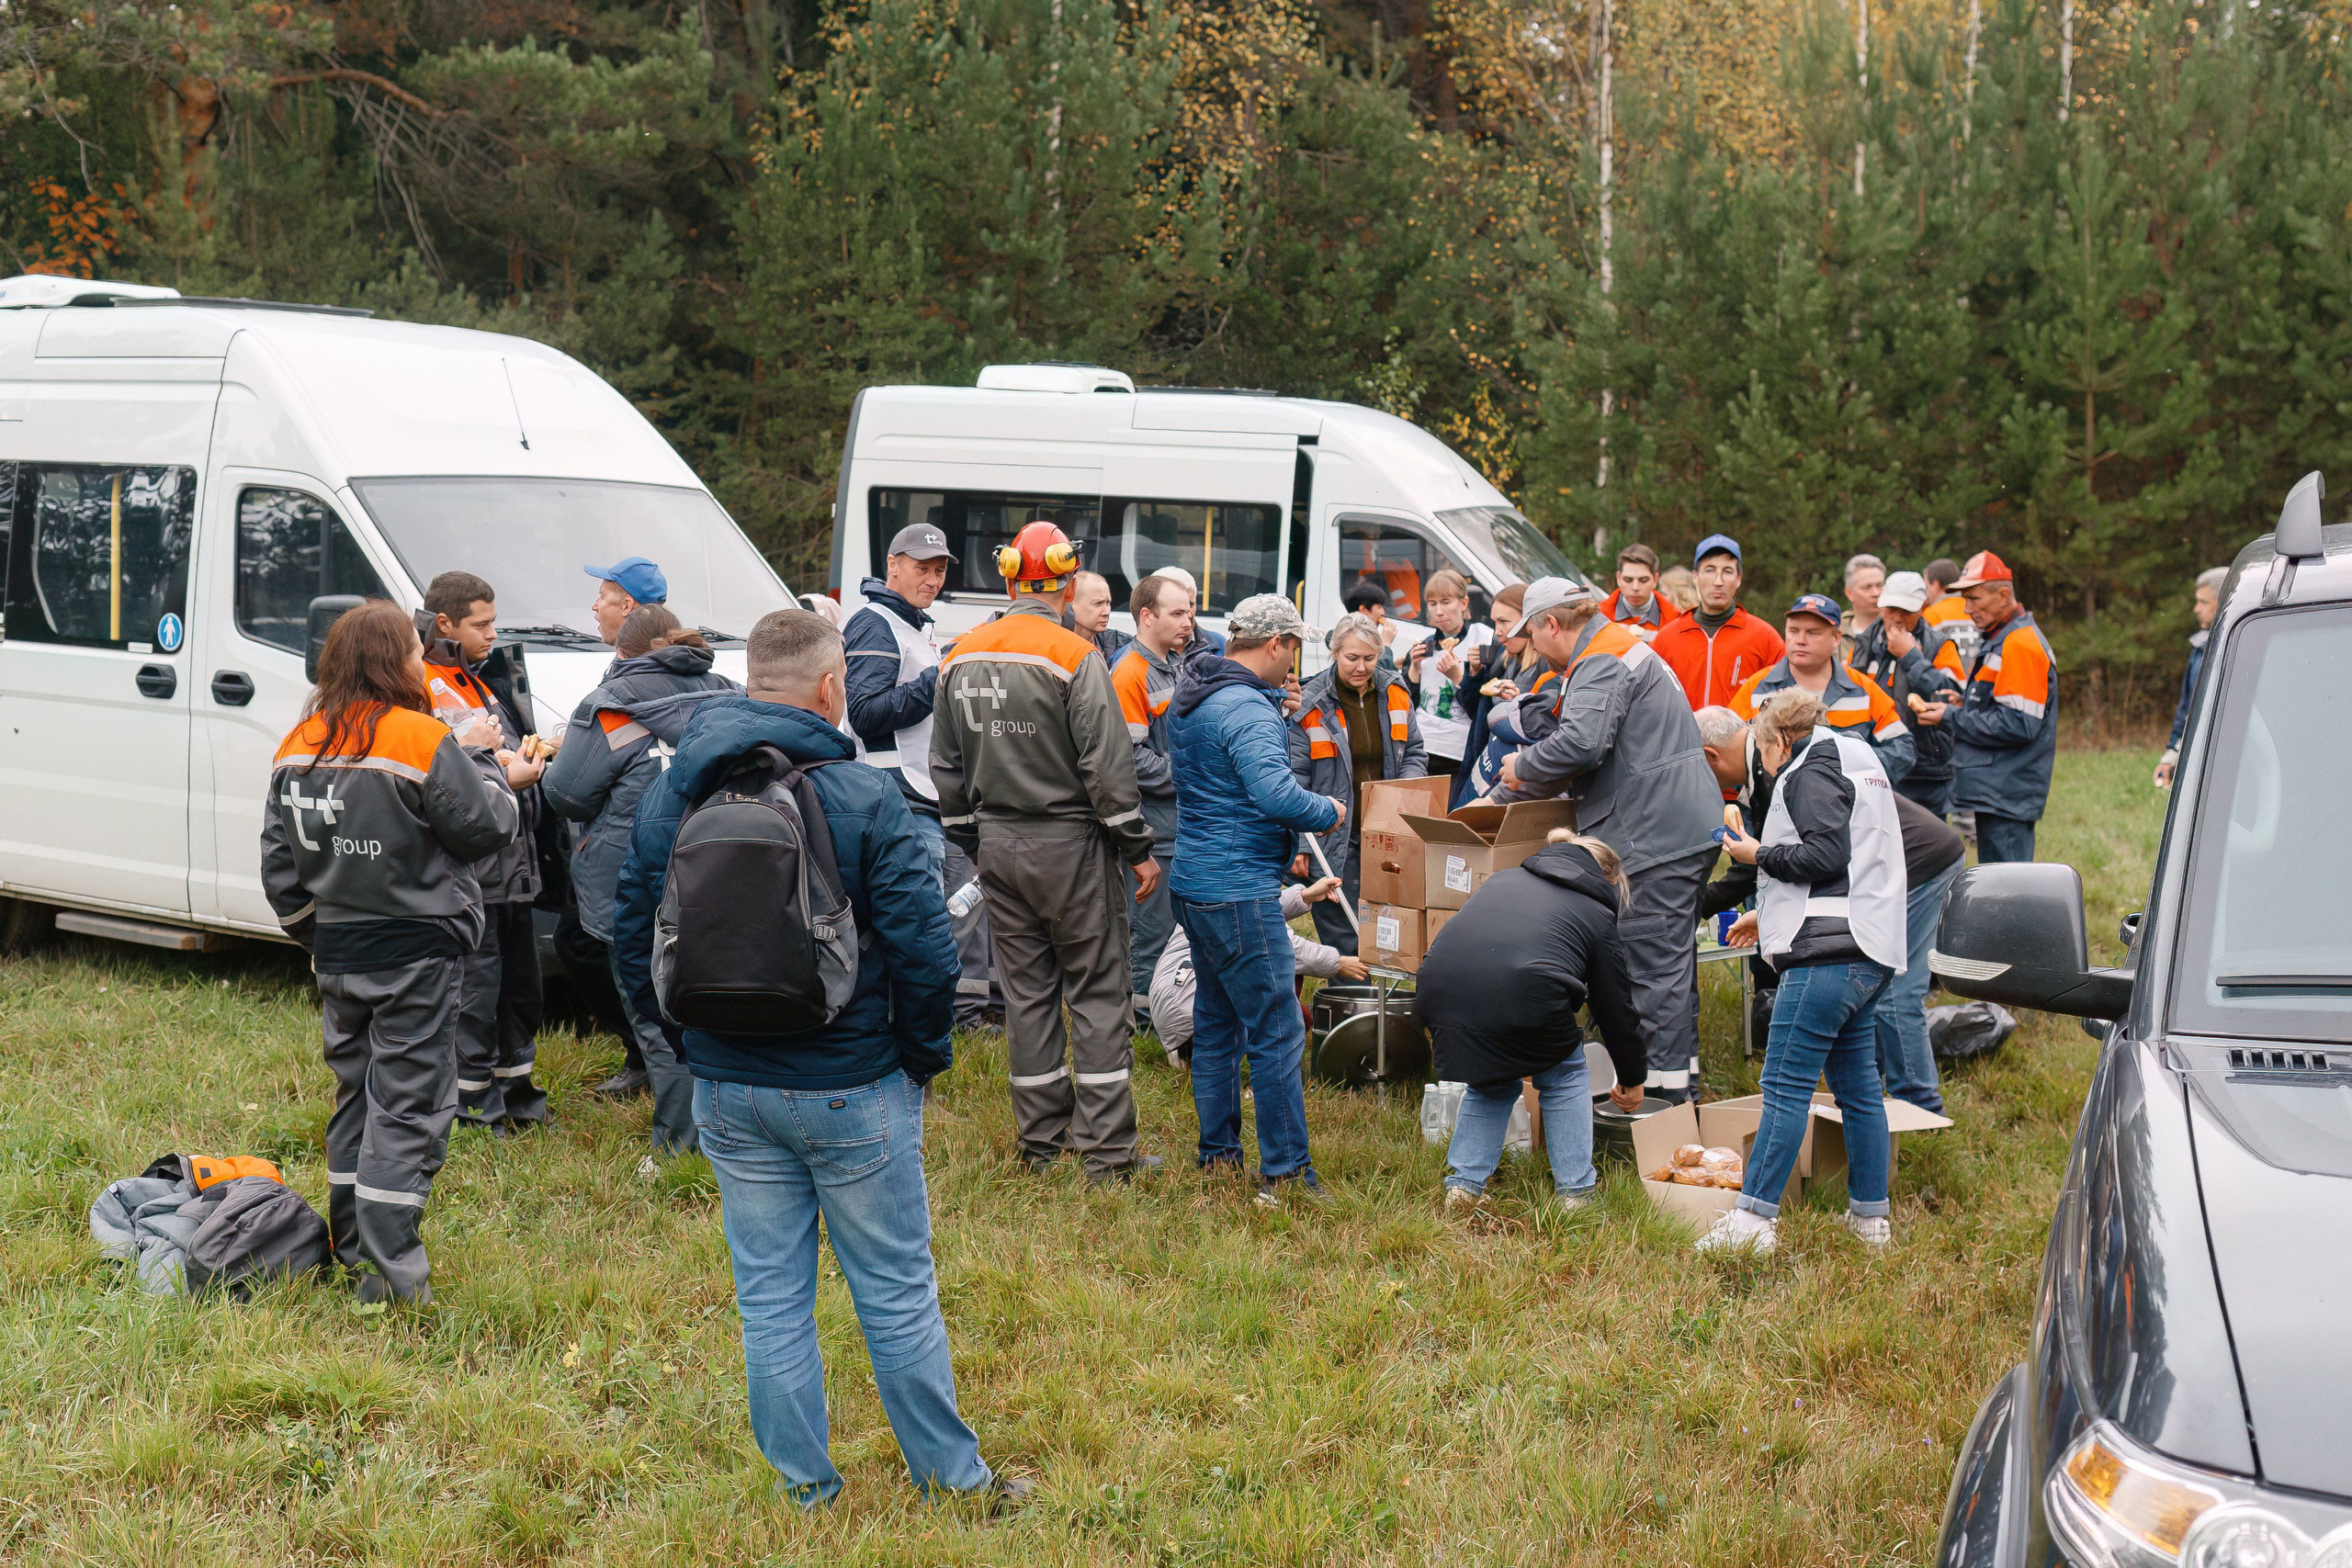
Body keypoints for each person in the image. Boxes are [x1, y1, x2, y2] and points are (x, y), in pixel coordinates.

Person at [610, 608, 1023, 1511]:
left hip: (727, 1084)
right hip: (852, 1082)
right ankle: (952, 1486)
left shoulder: (674, 791)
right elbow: (926, 953)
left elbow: (630, 938)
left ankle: (806, 1490)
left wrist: (688, 1051)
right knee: (895, 1291)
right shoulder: (865, 796)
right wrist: (917, 1059)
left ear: (748, 680)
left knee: (768, 1300)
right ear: (833, 687)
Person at [259, 600, 518, 1303]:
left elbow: (280, 871)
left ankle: (350, 1252)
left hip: (341, 956)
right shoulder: (420, 738)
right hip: (418, 956)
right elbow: (489, 824)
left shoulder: (296, 742)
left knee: (356, 1098)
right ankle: (391, 1279)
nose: (420, 659)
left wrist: (326, 932)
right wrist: (485, 759)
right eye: (413, 649)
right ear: (391, 662)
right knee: (407, 1107)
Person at [931, 521, 1160, 1184]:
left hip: (997, 847)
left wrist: (975, 842)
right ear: (1063, 581)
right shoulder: (1075, 655)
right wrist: (1138, 847)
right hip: (1073, 846)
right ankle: (1107, 1153)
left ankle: (1040, 1141)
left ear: (1008, 578)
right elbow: (1108, 770)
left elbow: (944, 767)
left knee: (1027, 994)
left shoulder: (959, 655)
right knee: (1095, 989)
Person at [1491, 578, 1722, 1102]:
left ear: (1552, 623)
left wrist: (1519, 766)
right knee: (1668, 966)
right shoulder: (1614, 649)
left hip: (1654, 834)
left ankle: (1658, 1106)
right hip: (1671, 827)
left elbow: (1582, 744)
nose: (1532, 648)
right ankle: (1677, 1089)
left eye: (1532, 634)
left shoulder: (1601, 658)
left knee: (1648, 971)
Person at [1700, 688, 1906, 1254]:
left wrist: (1755, 855)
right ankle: (1870, 1221)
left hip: (1825, 954)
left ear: (1778, 738)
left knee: (1785, 1086)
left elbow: (1823, 858)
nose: (1764, 766)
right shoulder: (1859, 756)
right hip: (1869, 945)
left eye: (1763, 751)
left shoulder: (1807, 768)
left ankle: (1751, 1224)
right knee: (1859, 1089)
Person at [1166, 593, 1346, 1206]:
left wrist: (1280, 714)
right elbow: (1275, 792)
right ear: (1275, 645)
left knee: (1217, 1025)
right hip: (1237, 888)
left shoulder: (1197, 692)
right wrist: (1329, 809)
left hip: (1193, 881)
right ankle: (1286, 1174)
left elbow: (1224, 779)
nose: (1295, 665)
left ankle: (1218, 1158)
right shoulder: (1246, 706)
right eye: (1293, 649)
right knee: (1275, 1028)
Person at [542, 604, 738, 1163]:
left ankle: (681, 1150)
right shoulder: (725, 690)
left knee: (655, 1011)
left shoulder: (610, 706)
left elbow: (567, 793)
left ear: (623, 653)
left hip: (633, 877)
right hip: (720, 867)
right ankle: (735, 1127)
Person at [1698, 706, 1962, 1115]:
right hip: (1879, 867)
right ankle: (1880, 1100)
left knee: (1895, 992)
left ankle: (1921, 1110)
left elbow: (1800, 857)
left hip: (1920, 862)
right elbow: (1783, 857)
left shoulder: (1776, 763)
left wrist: (1693, 905)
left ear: (1711, 756)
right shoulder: (1765, 763)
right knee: (1872, 1002)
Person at [1419, 829, 1649, 1212]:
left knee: (1491, 1078)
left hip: (1438, 985)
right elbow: (1615, 1009)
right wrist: (1632, 1077)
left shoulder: (1505, 877)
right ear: (1606, 878)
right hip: (1522, 990)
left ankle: (1463, 1187)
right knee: (1566, 1075)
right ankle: (1575, 1195)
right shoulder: (1596, 913)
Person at [842, 523, 998, 1029]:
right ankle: (898, 1033)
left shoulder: (915, 624)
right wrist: (943, 672)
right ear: (893, 565)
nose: (932, 580)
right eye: (921, 568)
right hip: (897, 800)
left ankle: (939, 1023)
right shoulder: (874, 622)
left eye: (938, 570)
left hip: (926, 797)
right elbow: (864, 713)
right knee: (912, 928)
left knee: (941, 918)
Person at [420, 572, 549, 1133]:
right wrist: (506, 774)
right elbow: (441, 778)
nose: (494, 633)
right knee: (478, 991)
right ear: (444, 623)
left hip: (511, 863)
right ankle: (475, 1111)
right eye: (482, 623)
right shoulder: (424, 684)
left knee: (520, 988)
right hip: (474, 868)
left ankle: (517, 1099)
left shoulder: (475, 679)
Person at [1287, 612, 1429, 950]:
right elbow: (1294, 779)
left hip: (1384, 832)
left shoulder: (1395, 691)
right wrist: (1302, 844)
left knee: (1386, 936)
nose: (1361, 667)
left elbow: (1414, 752)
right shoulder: (1310, 704)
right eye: (1352, 658)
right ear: (1334, 653)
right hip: (1332, 837)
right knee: (1344, 939)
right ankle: (1348, 1000)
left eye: (1369, 658)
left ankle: (1377, 999)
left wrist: (1403, 794)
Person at [1914, 551, 2057, 863]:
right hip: (1998, 790)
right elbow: (2002, 707)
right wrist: (1964, 704)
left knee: (2007, 895)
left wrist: (1951, 716)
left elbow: (2020, 724)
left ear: (2003, 595)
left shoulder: (2019, 643)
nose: (1967, 609)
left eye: (1975, 599)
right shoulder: (2002, 638)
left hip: (2006, 792)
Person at [1149, 876, 1365, 1066]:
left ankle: (1187, 1053)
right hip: (1196, 1012)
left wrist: (1305, 896)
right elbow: (1281, 944)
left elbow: (1260, 908)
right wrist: (1339, 963)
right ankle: (1265, 1059)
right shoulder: (1245, 891)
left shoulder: (1211, 887)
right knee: (1290, 992)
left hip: (1169, 1001)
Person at [1111, 573, 1197, 1022]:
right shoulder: (1131, 671)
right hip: (1151, 827)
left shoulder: (1172, 663)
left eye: (1190, 612)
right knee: (1150, 932)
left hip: (1172, 824)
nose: (1189, 622)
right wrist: (1190, 775)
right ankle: (1144, 1024)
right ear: (1147, 616)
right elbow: (1128, 758)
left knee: (1169, 930)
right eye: (1178, 613)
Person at [1729, 593, 1915, 784]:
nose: (1800, 640)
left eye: (1812, 632)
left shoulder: (1862, 689)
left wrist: (1850, 770)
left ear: (1836, 638)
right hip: (1770, 809)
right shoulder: (1757, 688)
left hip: (1846, 805)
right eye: (1794, 631)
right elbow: (1727, 751)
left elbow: (1902, 748)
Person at [1850, 570, 1965, 814]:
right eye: (1892, 609)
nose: (1898, 619)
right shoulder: (1864, 644)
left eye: (1907, 611)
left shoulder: (1940, 645)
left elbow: (1952, 697)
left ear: (1923, 608)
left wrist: (1911, 657)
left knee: (1928, 846)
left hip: (1926, 769)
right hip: (1874, 762)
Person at [1650, 536, 1785, 709]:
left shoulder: (1765, 638)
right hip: (1682, 736)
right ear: (1695, 576)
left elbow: (1784, 700)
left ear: (1739, 579)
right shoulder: (1667, 639)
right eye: (1710, 570)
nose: (1718, 582)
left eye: (1727, 571)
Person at [1400, 569, 1493, 772]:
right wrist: (1414, 668)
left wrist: (1458, 676)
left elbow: (1483, 707)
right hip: (1422, 745)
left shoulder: (1483, 640)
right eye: (1433, 604)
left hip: (1460, 749)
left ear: (1464, 603)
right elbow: (1405, 701)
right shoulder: (1425, 645)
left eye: (1446, 602)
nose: (1439, 612)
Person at [2155, 567, 2228, 789]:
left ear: (2224, 600)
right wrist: (2171, 756)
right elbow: (2187, 709)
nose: (2196, 610)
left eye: (2203, 602)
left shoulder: (2239, 647)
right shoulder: (2198, 648)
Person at [586, 556, 669, 643]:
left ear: (626, 606)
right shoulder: (674, 654)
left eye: (603, 597)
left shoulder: (637, 656)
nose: (594, 607)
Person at [1920, 557, 1981, 665]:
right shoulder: (1975, 608)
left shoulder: (1931, 613)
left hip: (1949, 676)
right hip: (1976, 677)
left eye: (1926, 585)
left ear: (1935, 584)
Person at [1599, 544, 1667, 635]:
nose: (1635, 587)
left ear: (1655, 579)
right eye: (1628, 580)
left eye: (1643, 580)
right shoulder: (1597, 618)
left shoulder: (1675, 620)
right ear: (1618, 578)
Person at [1070, 570, 1130, 662]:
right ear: (1072, 606)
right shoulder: (1055, 648)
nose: (1107, 611)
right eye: (1098, 604)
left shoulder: (1121, 646)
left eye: (1108, 603)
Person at [1840, 553, 1886, 645]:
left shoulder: (1899, 627)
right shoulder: (1835, 632)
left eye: (1879, 585)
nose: (1876, 593)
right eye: (1867, 587)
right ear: (1849, 593)